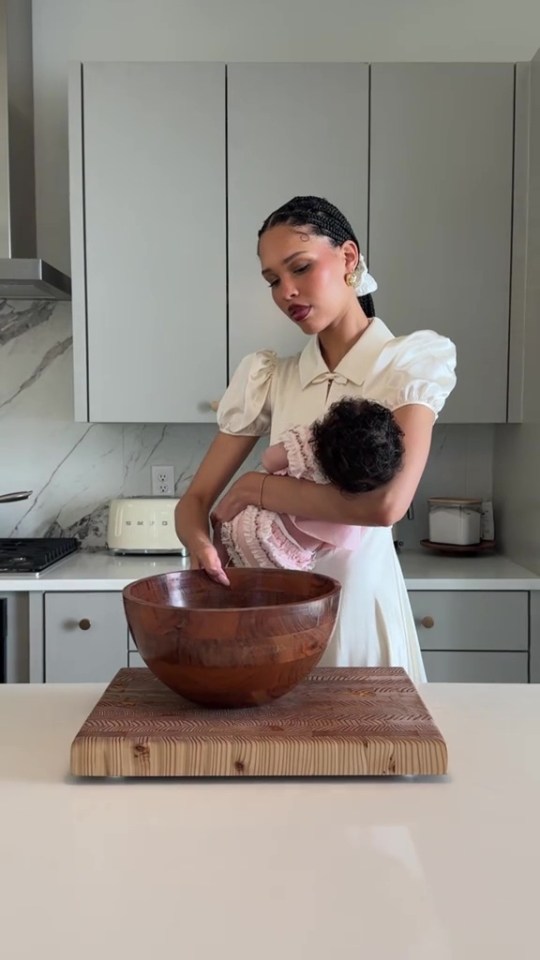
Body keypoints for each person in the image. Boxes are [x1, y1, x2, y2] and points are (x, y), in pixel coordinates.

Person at [176, 195, 457, 682]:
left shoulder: (406, 365)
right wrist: (200, 543)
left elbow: (385, 505)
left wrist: (252, 488)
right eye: (272, 280)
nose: (287, 291)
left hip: (360, 617)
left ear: (348, 259)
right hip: (278, 620)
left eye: (300, 268)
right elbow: (195, 500)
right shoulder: (269, 377)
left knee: (366, 752)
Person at [213, 397, 405, 572]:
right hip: (289, 560)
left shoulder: (307, 451)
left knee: (221, 530)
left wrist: (306, 438)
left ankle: (218, 565)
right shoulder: (354, 509)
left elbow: (269, 460)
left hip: (256, 530)